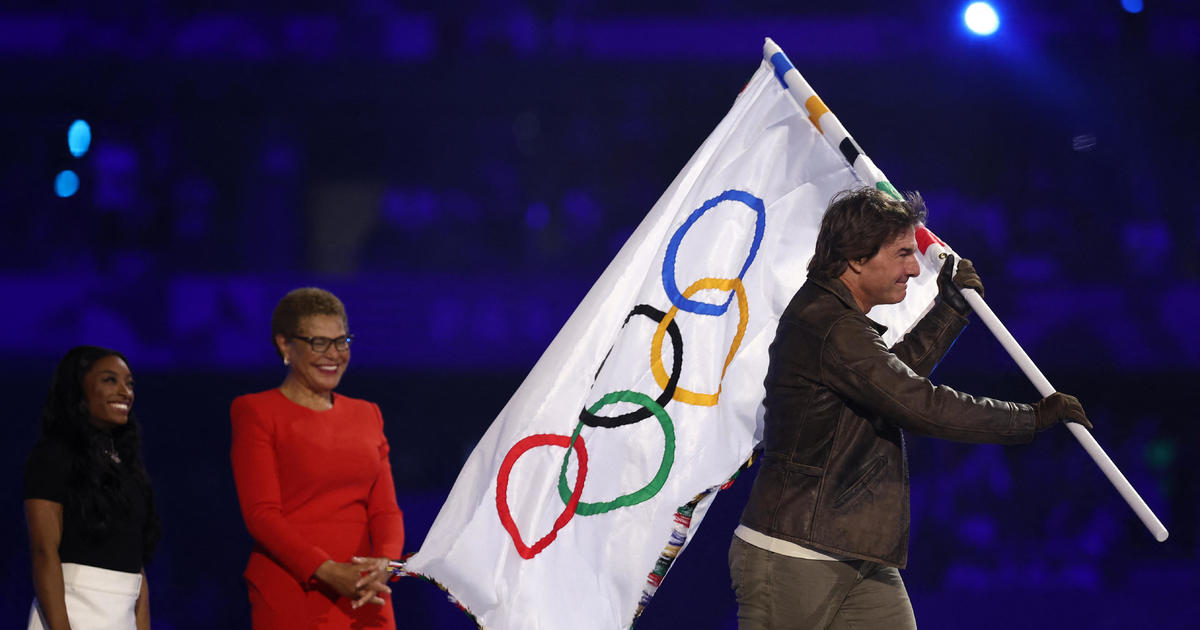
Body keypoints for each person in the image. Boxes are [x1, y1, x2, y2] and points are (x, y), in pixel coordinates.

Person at [729, 187, 1092, 629]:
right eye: (902, 253)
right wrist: (1032, 418)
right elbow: (922, 406)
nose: (914, 267)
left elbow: (892, 383)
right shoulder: (829, 325)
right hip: (793, 554)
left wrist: (951, 309)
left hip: (854, 552)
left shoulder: (836, 320)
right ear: (858, 258)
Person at [231, 287, 405, 629]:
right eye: (319, 343)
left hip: (365, 593)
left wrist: (385, 563)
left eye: (342, 342)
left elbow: (385, 509)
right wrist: (326, 570)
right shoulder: (256, 411)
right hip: (294, 590)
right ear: (285, 345)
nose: (334, 354)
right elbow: (261, 514)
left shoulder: (368, 414)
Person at [24, 346, 161, 630]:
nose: (125, 391)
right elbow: (43, 550)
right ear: (78, 388)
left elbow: (136, 562)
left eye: (129, 383)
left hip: (121, 616)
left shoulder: (128, 468)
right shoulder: (53, 456)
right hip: (71, 611)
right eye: (110, 380)